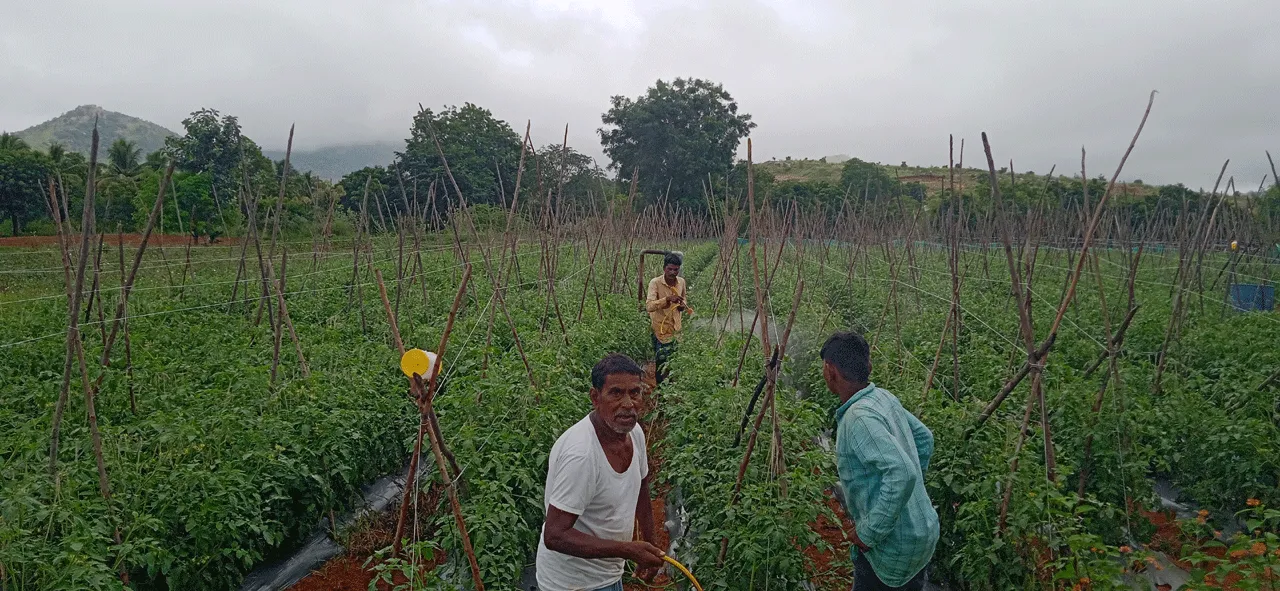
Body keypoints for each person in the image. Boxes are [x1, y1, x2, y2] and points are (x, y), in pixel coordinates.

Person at [536, 353, 666, 591]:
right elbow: (554, 535)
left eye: (634, 393)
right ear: (595, 397)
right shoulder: (582, 455)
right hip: (572, 584)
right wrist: (627, 549)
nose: (628, 404)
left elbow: (642, 486)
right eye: (616, 393)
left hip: (606, 574)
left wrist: (650, 542)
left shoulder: (634, 433)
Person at [820, 331, 938, 591]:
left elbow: (902, 475)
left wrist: (868, 533)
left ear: (830, 371)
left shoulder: (858, 418)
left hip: (894, 546)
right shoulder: (883, 397)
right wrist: (911, 500)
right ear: (868, 366)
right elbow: (924, 439)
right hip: (923, 531)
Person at [645, 252, 691, 383]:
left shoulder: (681, 282)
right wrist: (667, 299)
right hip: (660, 330)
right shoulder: (655, 283)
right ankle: (660, 390)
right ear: (664, 268)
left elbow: (684, 298)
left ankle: (672, 387)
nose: (672, 272)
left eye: (676, 269)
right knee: (661, 362)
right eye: (669, 269)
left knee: (674, 361)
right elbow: (649, 306)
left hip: (676, 330)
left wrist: (682, 306)